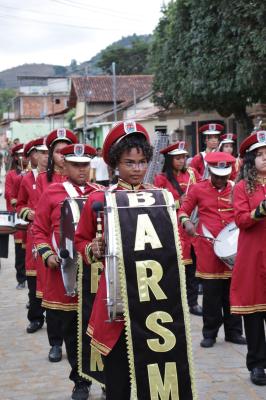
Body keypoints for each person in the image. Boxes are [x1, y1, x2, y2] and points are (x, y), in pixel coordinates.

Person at [75, 122, 154, 399]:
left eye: (142, 162)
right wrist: (93, 248)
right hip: (116, 300)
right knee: (118, 382)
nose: (136, 168)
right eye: (129, 162)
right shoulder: (98, 199)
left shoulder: (159, 199)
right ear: (114, 164)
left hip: (152, 301)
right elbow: (80, 240)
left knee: (153, 377)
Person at [33, 143, 97, 400]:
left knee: (99, 328)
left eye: (85, 164)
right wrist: (47, 254)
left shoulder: (102, 192)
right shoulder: (52, 192)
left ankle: (103, 378)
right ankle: (80, 381)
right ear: (65, 165)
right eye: (75, 164)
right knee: (73, 334)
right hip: (64, 274)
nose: (81, 170)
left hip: (96, 275)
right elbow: (38, 230)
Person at [178, 152, 246, 348]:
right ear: (209, 171)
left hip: (233, 248)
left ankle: (234, 332)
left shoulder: (236, 189)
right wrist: (187, 223)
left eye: (224, 176)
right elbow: (184, 209)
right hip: (208, 249)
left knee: (232, 294)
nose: (220, 180)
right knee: (211, 296)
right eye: (216, 176)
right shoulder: (198, 189)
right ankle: (210, 333)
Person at [34, 128, 77, 363]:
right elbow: (42, 218)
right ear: (52, 155)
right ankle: (55, 343)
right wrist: (46, 251)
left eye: (66, 152)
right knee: (53, 297)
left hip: (76, 249)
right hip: (52, 247)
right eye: (58, 152)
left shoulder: (82, 180)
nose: (62, 156)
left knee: (75, 298)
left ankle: (74, 342)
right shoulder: (44, 181)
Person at [230, 131, 266, 386]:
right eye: (260, 155)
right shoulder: (242, 187)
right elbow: (241, 220)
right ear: (251, 160)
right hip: (254, 257)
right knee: (253, 315)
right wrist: (261, 210)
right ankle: (257, 365)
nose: (265, 159)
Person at [154, 141, 202, 316]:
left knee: (192, 270)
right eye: (178, 158)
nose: (182, 161)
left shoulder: (192, 174)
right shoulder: (161, 179)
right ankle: (173, 304)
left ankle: (193, 303)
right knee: (172, 269)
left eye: (184, 157)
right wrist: (177, 203)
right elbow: (156, 203)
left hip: (191, 227)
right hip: (172, 228)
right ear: (169, 159)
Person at [16, 138, 48, 334]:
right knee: (34, 277)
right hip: (34, 234)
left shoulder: (58, 178)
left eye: (46, 152)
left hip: (54, 235)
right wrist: (28, 213)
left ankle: (56, 318)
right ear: (33, 155)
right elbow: (19, 204)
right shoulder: (26, 179)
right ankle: (36, 317)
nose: (43, 156)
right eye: (39, 152)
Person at [4, 143, 28, 289]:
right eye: (19, 155)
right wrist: (19, 202)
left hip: (31, 216)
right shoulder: (11, 175)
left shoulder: (34, 173)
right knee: (20, 249)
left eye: (24, 155)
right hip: (18, 215)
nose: (22, 158)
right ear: (14, 157)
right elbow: (8, 194)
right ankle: (21, 278)